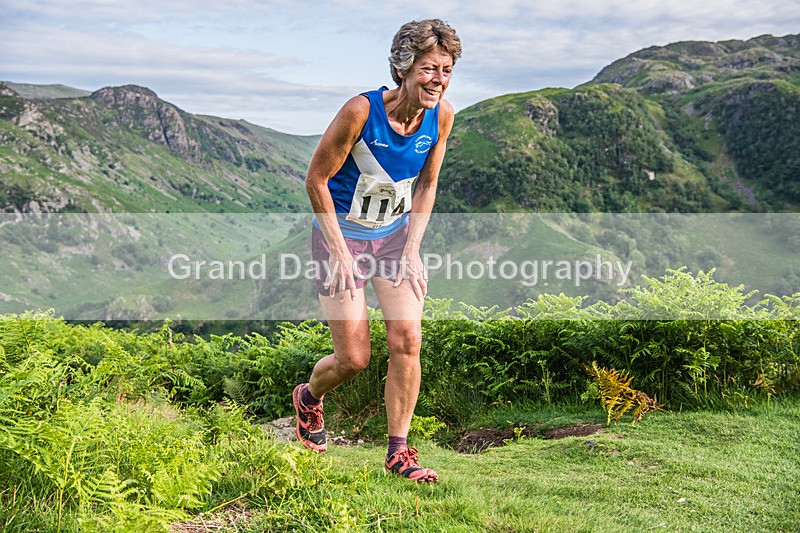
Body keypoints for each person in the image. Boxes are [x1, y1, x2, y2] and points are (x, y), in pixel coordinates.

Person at [292, 18, 461, 483]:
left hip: (394, 238)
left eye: (446, 70)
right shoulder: (360, 112)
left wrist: (413, 248)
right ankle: (308, 397)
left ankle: (398, 453)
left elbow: (427, 183)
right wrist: (340, 252)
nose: (438, 80)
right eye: (429, 69)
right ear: (404, 68)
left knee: (408, 340)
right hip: (340, 237)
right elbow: (316, 180)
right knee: (353, 359)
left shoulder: (441, 116)